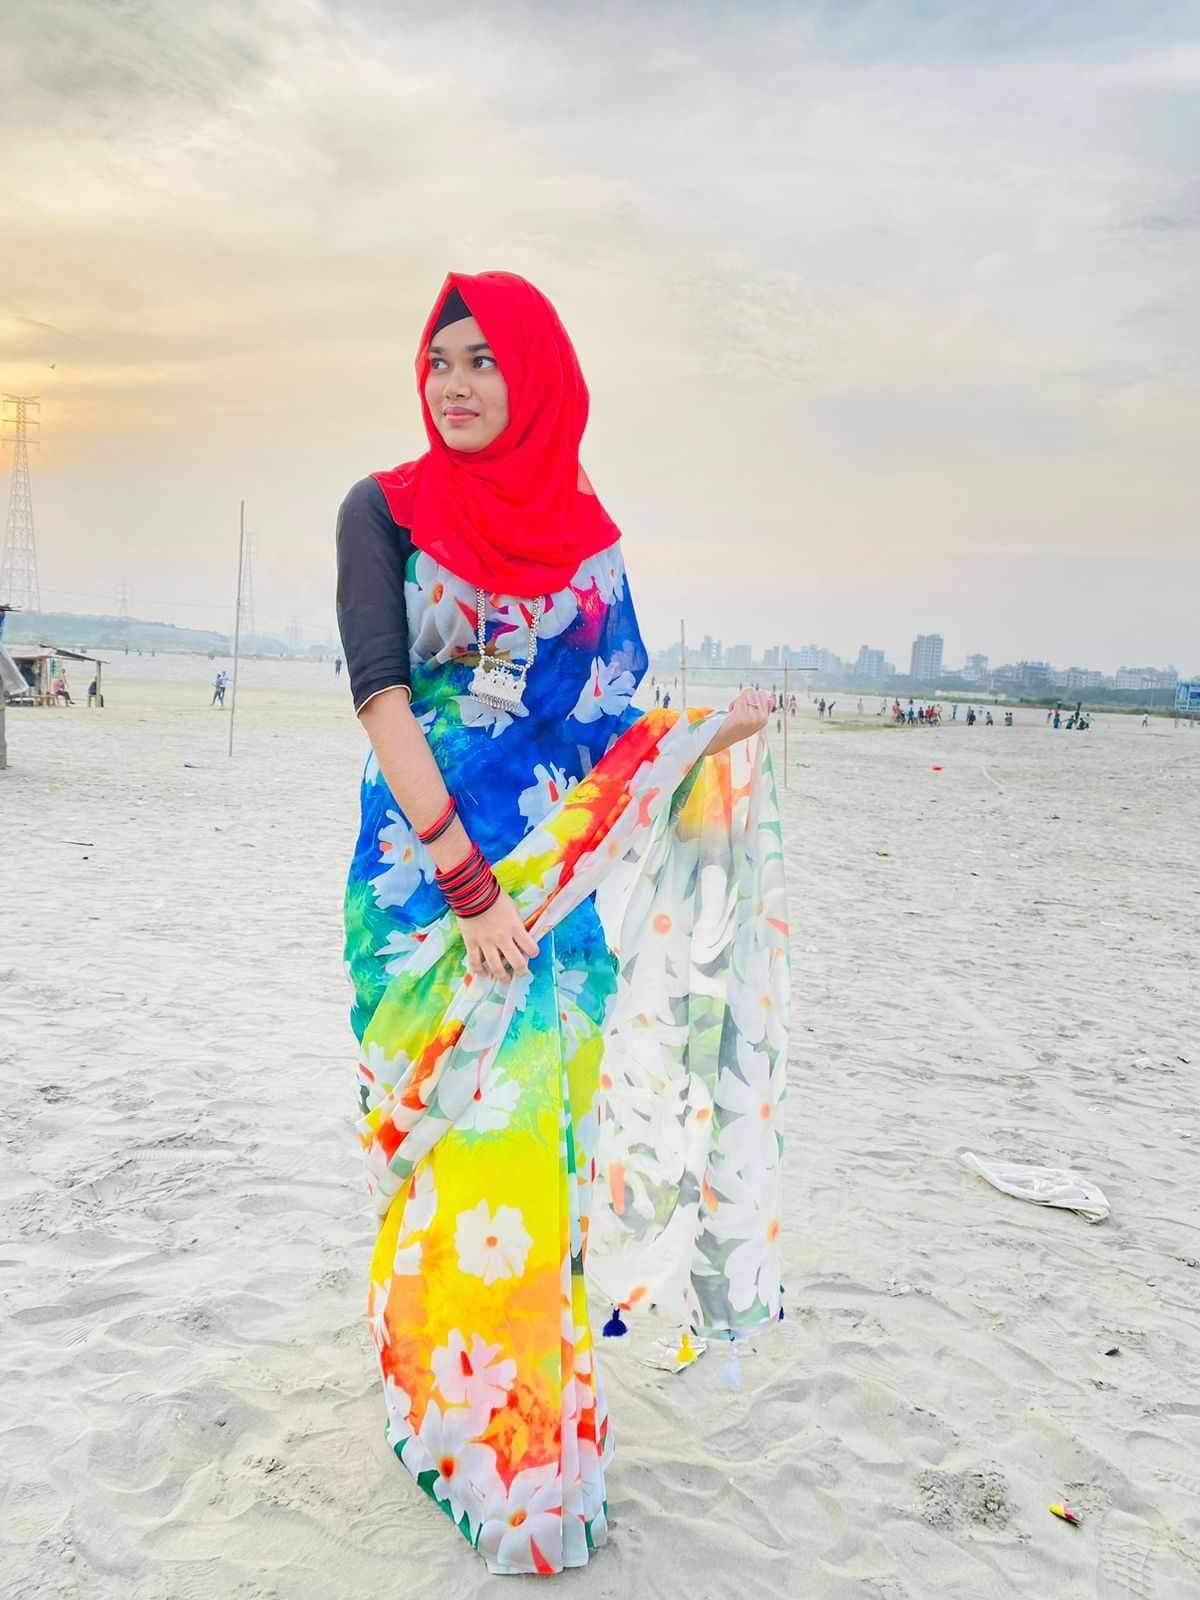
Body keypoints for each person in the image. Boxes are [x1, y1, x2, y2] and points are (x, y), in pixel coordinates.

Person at [335, 272, 788, 1577]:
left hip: (558, 910)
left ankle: (530, 1450)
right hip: (425, 896)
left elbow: (615, 726)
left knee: (534, 1169)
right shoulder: (385, 512)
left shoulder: (588, 550)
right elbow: (381, 699)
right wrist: (468, 887)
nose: (456, 385)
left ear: (535, 377)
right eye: (440, 361)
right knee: (452, 1156)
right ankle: (449, 1410)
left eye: (485, 361)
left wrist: (706, 737)